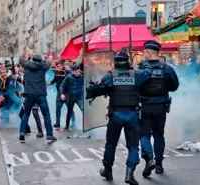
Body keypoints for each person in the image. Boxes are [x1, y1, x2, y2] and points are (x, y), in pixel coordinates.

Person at [86, 51, 153, 185]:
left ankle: (108, 170)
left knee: (110, 145)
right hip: (132, 115)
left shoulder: (110, 77)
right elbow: (148, 72)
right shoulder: (136, 75)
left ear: (115, 63)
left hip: (115, 115)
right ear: (128, 62)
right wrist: (144, 62)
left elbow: (98, 89)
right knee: (133, 146)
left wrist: (92, 87)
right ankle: (129, 174)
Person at [138, 40, 179, 177]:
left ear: (149, 53)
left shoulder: (141, 69)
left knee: (144, 134)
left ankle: (149, 159)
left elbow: (134, 86)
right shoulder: (167, 68)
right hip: (161, 107)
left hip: (144, 106)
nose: (144, 55)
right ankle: (159, 164)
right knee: (159, 135)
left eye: (145, 53)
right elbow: (174, 87)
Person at [19, 54, 57, 143]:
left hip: (29, 94)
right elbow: (48, 62)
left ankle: (22, 132)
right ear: (40, 61)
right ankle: (49, 134)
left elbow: (21, 59)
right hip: (41, 94)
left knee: (26, 114)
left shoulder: (27, 65)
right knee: (46, 115)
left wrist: (27, 57)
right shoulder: (43, 67)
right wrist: (44, 60)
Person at [59, 64, 83, 131]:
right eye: (76, 72)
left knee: (84, 110)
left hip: (79, 97)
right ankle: (67, 126)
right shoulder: (68, 77)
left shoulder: (82, 77)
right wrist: (62, 94)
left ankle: (87, 126)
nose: (77, 73)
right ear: (73, 71)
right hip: (71, 96)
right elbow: (62, 86)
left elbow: (88, 83)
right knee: (69, 111)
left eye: (78, 71)